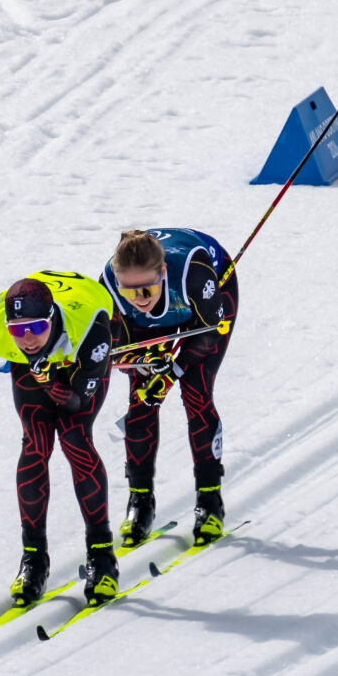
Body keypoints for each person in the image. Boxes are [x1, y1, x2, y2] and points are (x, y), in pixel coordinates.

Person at [0, 271, 119, 606]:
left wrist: (49, 378)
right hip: (41, 363)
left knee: (74, 437)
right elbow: (20, 341)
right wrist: (38, 368)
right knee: (35, 443)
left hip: (81, 347)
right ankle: (34, 558)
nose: (28, 338)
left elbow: (77, 400)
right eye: (18, 330)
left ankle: (102, 555)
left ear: (51, 319)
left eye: (36, 327)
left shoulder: (90, 331)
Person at [101, 228, 239, 548]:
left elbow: (207, 336)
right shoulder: (108, 284)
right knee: (142, 400)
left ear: (162, 272)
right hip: (150, 321)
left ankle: (209, 501)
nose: (139, 300)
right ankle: (140, 502)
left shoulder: (192, 272)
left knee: (196, 393)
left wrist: (173, 370)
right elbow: (116, 346)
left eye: (146, 290)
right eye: (129, 292)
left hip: (204, 304)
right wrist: (146, 364)